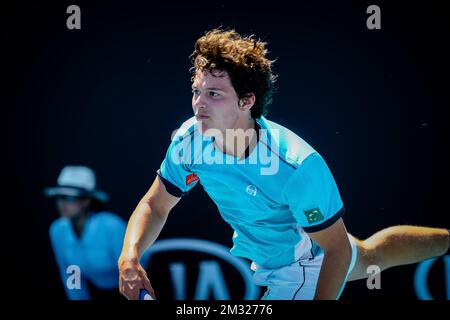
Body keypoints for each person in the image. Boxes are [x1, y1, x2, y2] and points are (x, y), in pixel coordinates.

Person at [118, 28, 449, 300]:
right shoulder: (189, 139)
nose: (198, 105)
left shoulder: (296, 167)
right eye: (197, 91)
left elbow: (334, 251)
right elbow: (155, 204)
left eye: (214, 94)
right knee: (373, 255)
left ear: (247, 101)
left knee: (356, 253)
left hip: (303, 267)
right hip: (299, 252)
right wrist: (130, 254)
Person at [46, 165, 129, 300]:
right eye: (59, 197)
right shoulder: (57, 231)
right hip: (99, 293)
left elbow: (135, 272)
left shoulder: (112, 226)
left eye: (70, 198)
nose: (62, 203)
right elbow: (71, 275)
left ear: (86, 200)